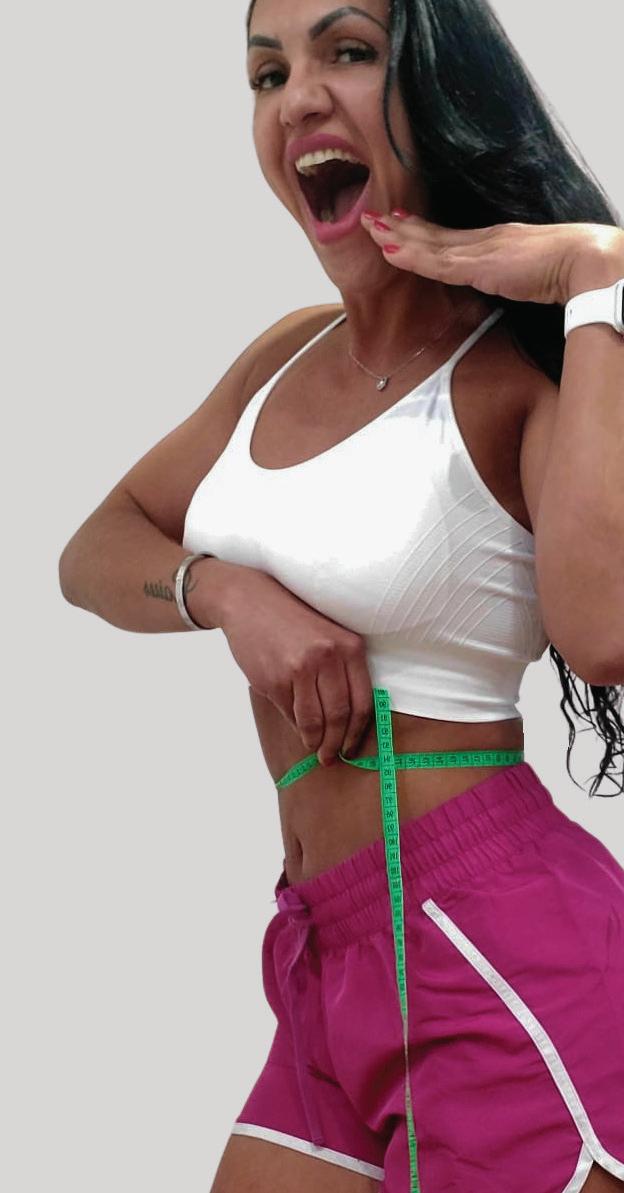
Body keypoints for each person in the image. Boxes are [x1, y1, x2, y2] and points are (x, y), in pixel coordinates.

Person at [58, 0, 624, 1190]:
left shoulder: (518, 375)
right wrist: (224, 591)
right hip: (327, 946)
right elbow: (94, 548)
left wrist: (595, 279)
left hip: (496, 946)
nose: (298, 96)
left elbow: (605, 632)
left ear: (439, 90)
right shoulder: (283, 356)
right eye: (268, 73)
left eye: (349, 52)